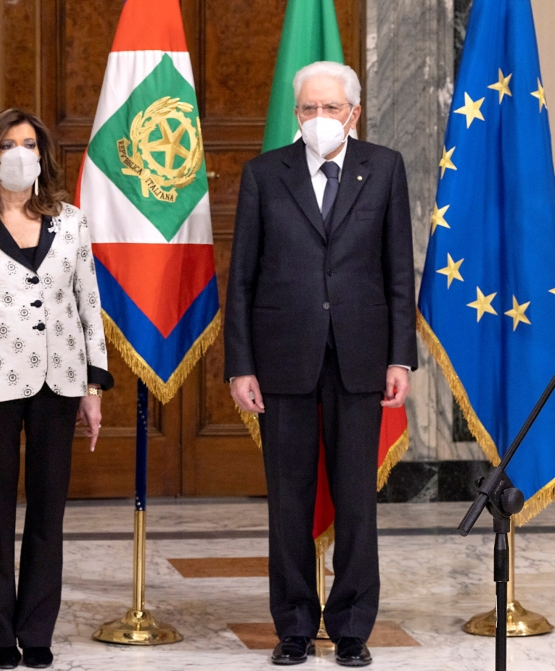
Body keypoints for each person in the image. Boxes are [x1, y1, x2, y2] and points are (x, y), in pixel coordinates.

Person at [224, 61, 417, 667]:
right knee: (288, 498)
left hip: (361, 357)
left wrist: (400, 358)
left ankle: (354, 625)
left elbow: (396, 272)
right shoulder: (263, 174)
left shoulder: (384, 168)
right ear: (296, 113)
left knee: (357, 498)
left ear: (353, 113)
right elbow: (243, 280)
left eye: (330, 109)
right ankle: (295, 626)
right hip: (282, 358)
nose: (318, 119)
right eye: (308, 109)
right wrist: (240, 365)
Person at [0, 108, 113, 669]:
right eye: (8, 143)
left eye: (28, 143)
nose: (19, 152)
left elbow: (88, 305)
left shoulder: (72, 222)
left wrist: (93, 388)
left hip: (60, 382)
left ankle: (37, 631)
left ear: (42, 154)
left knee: (48, 512)